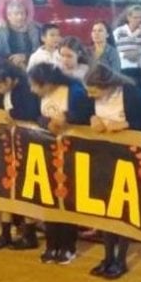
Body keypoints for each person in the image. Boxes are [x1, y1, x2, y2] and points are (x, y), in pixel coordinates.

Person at [84, 64, 141, 278]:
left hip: (129, 158)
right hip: (105, 157)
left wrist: (126, 124)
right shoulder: (96, 97)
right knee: (106, 209)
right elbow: (82, 114)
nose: (90, 96)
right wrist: (91, 118)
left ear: (106, 85)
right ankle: (108, 256)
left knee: (123, 209)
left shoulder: (131, 94)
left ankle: (121, 259)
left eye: (93, 91)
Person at [27, 62, 94, 264]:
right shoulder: (42, 95)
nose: (32, 89)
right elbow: (34, 116)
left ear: (47, 83)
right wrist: (46, 123)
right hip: (47, 152)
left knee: (67, 200)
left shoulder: (74, 92)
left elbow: (86, 116)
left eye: (35, 85)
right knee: (48, 199)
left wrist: (67, 118)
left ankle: (68, 246)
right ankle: (52, 244)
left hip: (72, 153)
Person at [0, 63, 42, 251]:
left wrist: (10, 117)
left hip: (26, 144)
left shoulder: (26, 90)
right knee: (6, 186)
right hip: (10, 143)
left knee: (26, 189)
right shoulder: (10, 90)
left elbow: (32, 114)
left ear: (9, 80)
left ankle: (29, 234)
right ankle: (6, 233)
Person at [0, 1, 41, 68]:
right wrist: (10, 58)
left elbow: (46, 49)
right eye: (16, 14)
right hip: (9, 72)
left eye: (22, 13)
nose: (20, 17)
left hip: (34, 70)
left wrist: (26, 57)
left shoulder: (36, 31)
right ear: (9, 16)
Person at [113, 5, 141, 87]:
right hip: (123, 69)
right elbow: (112, 51)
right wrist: (124, 55)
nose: (139, 20)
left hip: (139, 69)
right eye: (135, 17)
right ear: (128, 18)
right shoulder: (118, 32)